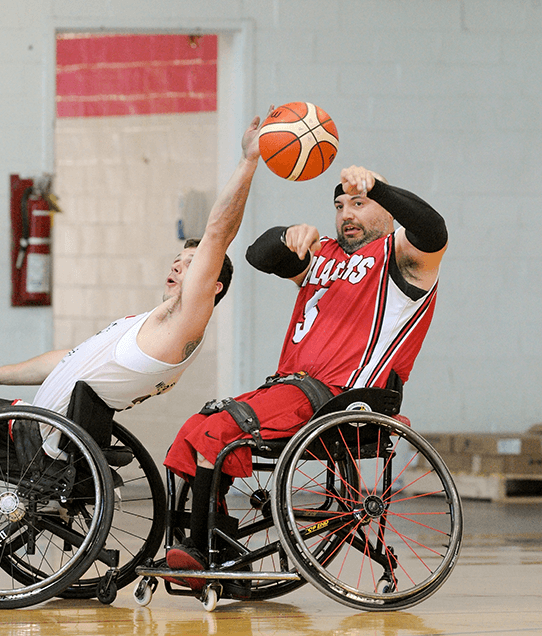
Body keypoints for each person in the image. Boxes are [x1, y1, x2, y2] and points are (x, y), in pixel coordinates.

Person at [0, 111, 266, 561]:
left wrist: (248, 160)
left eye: (191, 263)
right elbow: (68, 358)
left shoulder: (183, 327)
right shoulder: (145, 322)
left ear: (212, 286)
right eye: (176, 258)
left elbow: (218, 232)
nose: (177, 265)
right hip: (24, 420)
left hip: (35, 442)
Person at [163, 165, 448, 586]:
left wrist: (380, 188)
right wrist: (286, 234)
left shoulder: (404, 257)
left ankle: (199, 549)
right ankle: (217, 540)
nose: (346, 213)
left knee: (219, 430)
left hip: (340, 398)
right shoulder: (325, 257)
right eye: (339, 206)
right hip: (288, 387)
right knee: (194, 429)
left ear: (386, 212)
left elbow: (434, 229)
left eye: (358, 203)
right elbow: (258, 256)